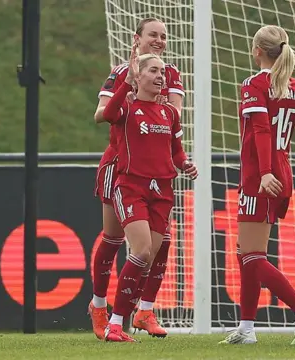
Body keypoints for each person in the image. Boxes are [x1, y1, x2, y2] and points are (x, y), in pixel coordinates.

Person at [219, 25, 295, 346]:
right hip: (284, 171)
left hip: (261, 174)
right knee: (246, 252)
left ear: (257, 51)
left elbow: (262, 130)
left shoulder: (255, 84)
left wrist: (264, 173)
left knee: (252, 255)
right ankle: (247, 328)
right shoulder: (291, 86)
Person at [89, 17, 185, 339]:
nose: (159, 40)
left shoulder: (170, 74)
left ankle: (144, 310)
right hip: (120, 165)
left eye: (163, 36)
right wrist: (128, 90)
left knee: (161, 243)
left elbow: (173, 116)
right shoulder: (120, 72)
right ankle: (101, 308)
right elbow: (102, 114)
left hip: (156, 168)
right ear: (137, 37)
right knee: (114, 239)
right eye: (153, 35)